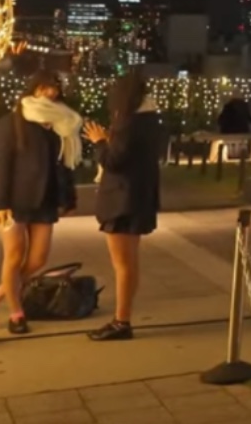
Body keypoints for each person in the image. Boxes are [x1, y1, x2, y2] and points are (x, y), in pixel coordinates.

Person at [0, 71, 83, 335]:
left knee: (38, 259)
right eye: (44, 87)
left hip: (45, 199)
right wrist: (0, 202)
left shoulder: (60, 123)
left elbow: (64, 165)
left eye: (54, 88)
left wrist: (69, 197)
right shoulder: (13, 121)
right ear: (33, 89)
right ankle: (17, 314)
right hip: (15, 200)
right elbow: (2, 164)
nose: (50, 93)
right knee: (14, 257)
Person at [83, 72, 163, 341]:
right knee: (129, 263)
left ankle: (121, 322)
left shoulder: (129, 123)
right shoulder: (150, 120)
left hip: (122, 201)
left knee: (123, 264)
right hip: (139, 198)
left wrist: (99, 141)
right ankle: (122, 319)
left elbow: (114, 161)